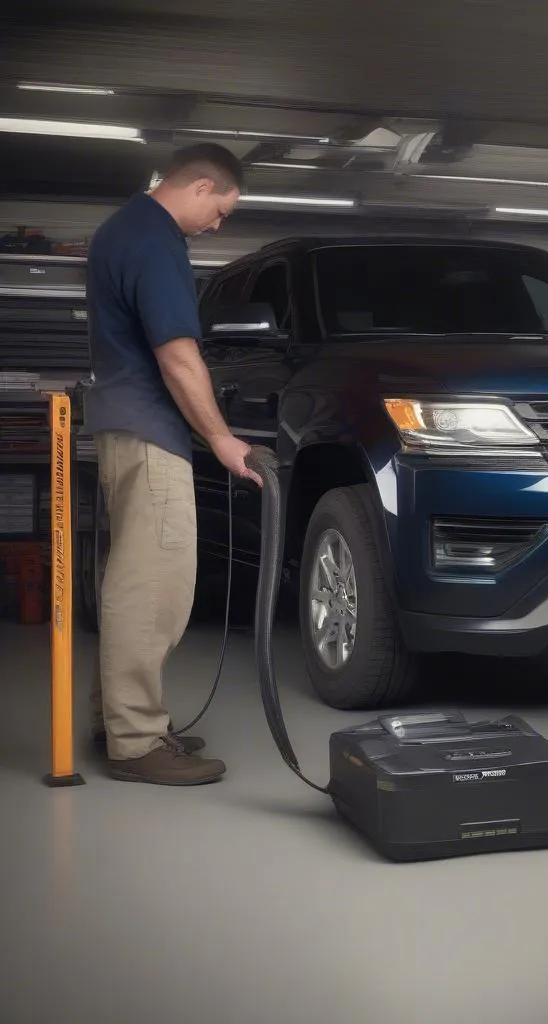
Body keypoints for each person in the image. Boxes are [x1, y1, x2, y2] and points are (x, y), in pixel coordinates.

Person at [85, 143, 262, 786]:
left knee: (132, 577)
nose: (217, 225)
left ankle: (121, 720)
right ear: (200, 185)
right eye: (220, 210)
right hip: (149, 428)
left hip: (122, 422)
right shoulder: (155, 239)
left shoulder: (121, 228)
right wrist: (221, 439)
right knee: (153, 587)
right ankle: (135, 743)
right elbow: (179, 356)